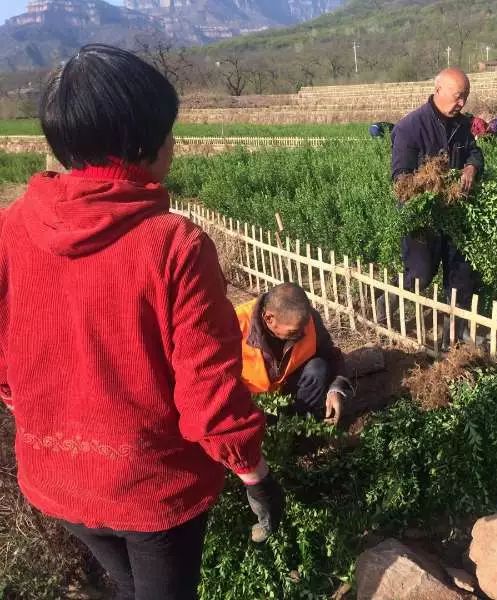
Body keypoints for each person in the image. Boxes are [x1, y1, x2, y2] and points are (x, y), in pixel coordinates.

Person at [0, 45, 284, 600]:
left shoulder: (11, 229)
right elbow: (210, 398)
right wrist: (255, 474)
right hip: (152, 493)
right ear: (145, 144)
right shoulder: (173, 246)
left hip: (54, 480)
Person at [383, 67, 484, 344]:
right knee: (420, 275)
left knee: (460, 273)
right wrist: (432, 185)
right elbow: (400, 179)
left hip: (456, 213)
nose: (462, 103)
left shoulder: (462, 126)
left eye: (466, 97)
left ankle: (455, 332)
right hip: (422, 218)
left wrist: (471, 169)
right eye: (458, 97)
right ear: (438, 91)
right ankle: (386, 307)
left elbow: (475, 153)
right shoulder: (410, 127)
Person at [234, 283, 353, 424]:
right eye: (292, 332)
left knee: (318, 368)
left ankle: (301, 426)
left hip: (289, 390)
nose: (301, 334)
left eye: (303, 328)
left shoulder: (308, 320)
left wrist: (336, 389)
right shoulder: (235, 323)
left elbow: (330, 354)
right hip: (251, 403)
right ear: (269, 319)